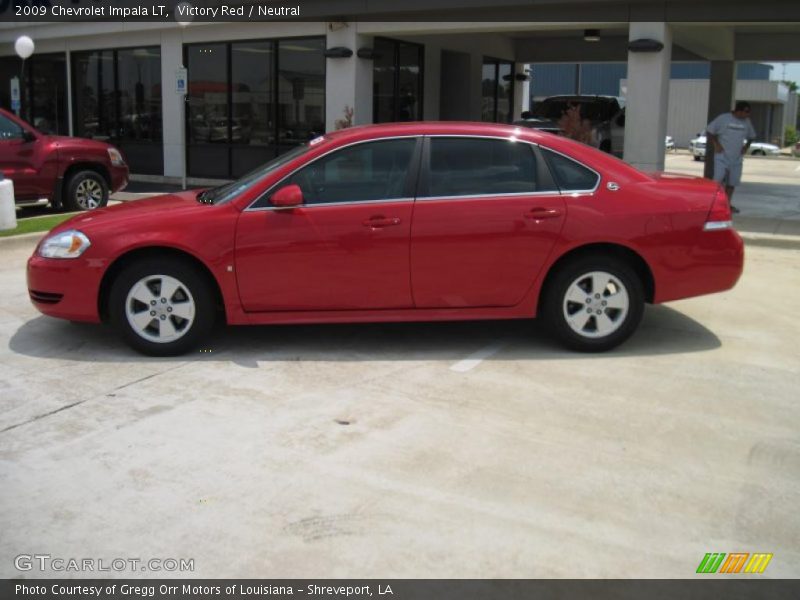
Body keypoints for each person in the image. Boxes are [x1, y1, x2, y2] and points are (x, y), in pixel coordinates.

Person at [706, 101, 756, 214]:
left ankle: (727, 205)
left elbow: (752, 136)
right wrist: (716, 144)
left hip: (736, 157)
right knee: (717, 181)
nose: (747, 115)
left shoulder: (747, 122)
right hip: (722, 155)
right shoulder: (723, 118)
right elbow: (709, 131)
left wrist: (746, 146)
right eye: (746, 112)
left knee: (732, 183)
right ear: (739, 111)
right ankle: (712, 204)